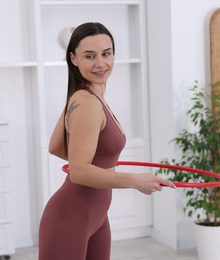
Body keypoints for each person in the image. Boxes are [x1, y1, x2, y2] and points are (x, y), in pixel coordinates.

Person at [38, 22, 175, 260]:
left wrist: (96, 164)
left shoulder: (85, 96)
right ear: (74, 59)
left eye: (106, 53)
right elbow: (78, 173)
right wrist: (135, 180)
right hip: (70, 217)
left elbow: (55, 147)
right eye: (89, 56)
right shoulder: (87, 103)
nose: (101, 63)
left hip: (98, 215)